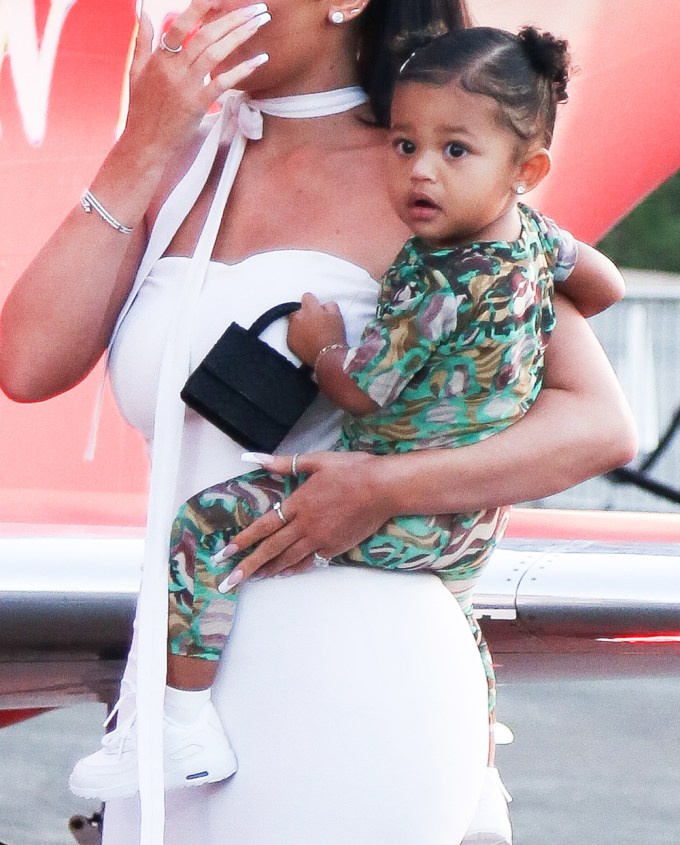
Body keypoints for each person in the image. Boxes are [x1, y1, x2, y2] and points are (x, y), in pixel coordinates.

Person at [0, 2, 636, 844]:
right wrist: (141, 143)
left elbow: (599, 422)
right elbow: (28, 364)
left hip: (359, 664)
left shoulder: (431, 175)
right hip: (176, 690)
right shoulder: (185, 160)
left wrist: (382, 486)